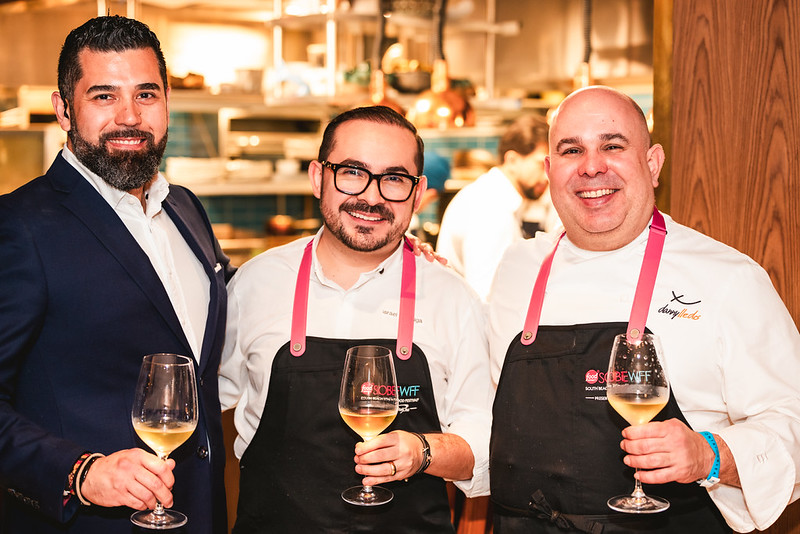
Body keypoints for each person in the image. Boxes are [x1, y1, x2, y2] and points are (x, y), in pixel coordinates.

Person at [487, 85, 800, 533]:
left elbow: (793, 419)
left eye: (612, 146)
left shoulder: (728, 278)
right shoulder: (516, 268)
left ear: (652, 164)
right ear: (550, 170)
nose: (591, 167)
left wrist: (710, 454)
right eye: (572, 150)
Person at [0, 16, 234, 534]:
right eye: (104, 96)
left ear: (167, 102)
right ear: (64, 109)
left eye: (146, 94)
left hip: (199, 513)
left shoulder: (185, 207)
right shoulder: (17, 226)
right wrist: (79, 473)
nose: (130, 116)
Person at [219, 105, 492, 533]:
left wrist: (423, 452)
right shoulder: (256, 284)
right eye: (352, 172)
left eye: (394, 179)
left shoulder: (453, 299)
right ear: (317, 178)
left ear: (418, 193)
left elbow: (484, 446)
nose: (372, 196)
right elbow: (201, 405)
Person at [436, 114, 560, 300]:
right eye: (540, 164)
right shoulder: (491, 208)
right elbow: (487, 296)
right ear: (512, 160)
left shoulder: (494, 197)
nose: (547, 176)